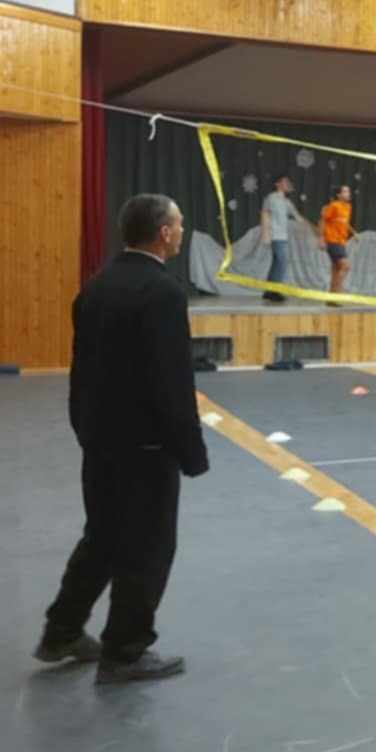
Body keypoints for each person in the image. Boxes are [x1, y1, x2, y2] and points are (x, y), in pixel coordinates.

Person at [37, 194, 209, 684]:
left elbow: (81, 370)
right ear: (164, 233)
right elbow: (171, 380)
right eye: (178, 224)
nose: (181, 231)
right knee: (147, 549)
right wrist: (190, 450)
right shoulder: (163, 292)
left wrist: (84, 428)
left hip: (100, 440)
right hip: (146, 446)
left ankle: (61, 631)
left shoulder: (97, 286)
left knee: (103, 538)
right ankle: (126, 651)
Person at [258, 175, 315, 303]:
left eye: (288, 182)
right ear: (277, 184)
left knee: (277, 262)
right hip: (274, 234)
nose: (287, 184)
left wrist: (311, 227)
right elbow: (264, 214)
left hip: (283, 235)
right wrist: (265, 233)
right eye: (285, 182)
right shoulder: (271, 198)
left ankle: (269, 291)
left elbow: (296, 216)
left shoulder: (286, 202)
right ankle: (275, 291)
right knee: (281, 262)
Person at [319, 185, 357, 305]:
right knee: (345, 266)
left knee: (336, 269)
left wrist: (353, 232)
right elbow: (323, 220)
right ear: (339, 195)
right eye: (345, 192)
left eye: (348, 191)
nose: (348, 194)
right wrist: (321, 238)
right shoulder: (334, 206)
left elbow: (344, 222)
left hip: (341, 241)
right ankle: (337, 294)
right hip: (332, 240)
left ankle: (331, 298)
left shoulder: (348, 207)